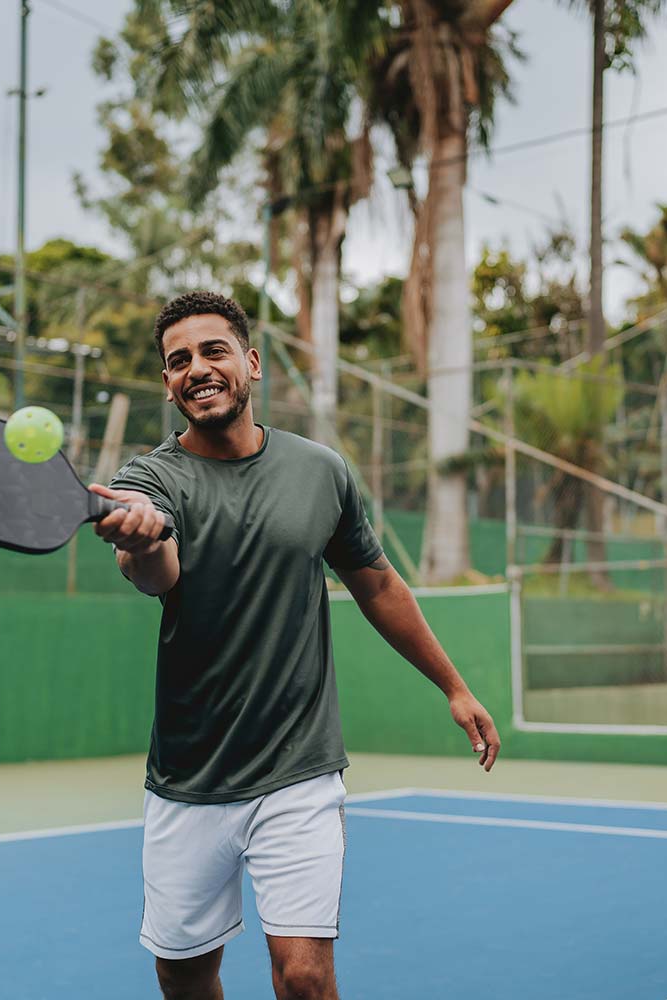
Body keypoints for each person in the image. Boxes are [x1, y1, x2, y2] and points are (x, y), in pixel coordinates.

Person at [89, 290, 501, 1000]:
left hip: (298, 766)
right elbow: (155, 572)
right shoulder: (149, 481)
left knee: (306, 976)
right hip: (191, 776)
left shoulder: (321, 471)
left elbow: (377, 585)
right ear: (167, 384)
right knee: (185, 978)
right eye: (177, 360)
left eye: (213, 350)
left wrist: (454, 686)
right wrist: (144, 537)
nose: (196, 368)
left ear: (251, 363)